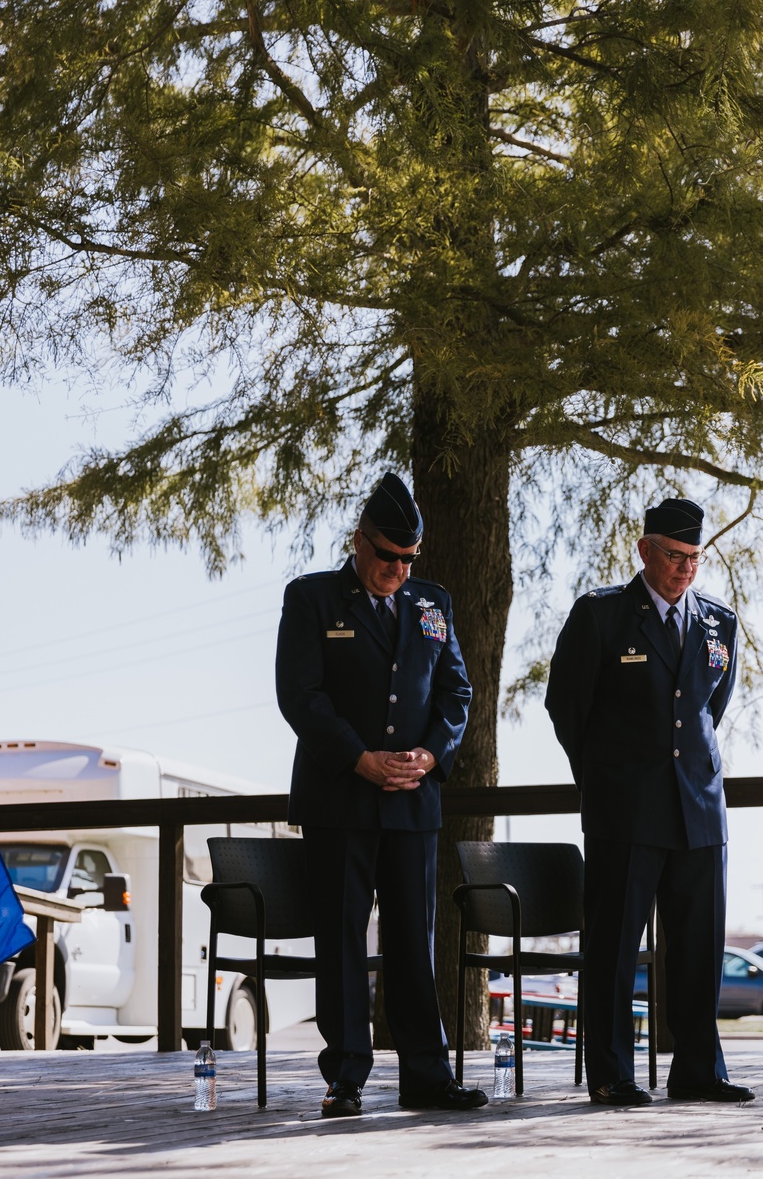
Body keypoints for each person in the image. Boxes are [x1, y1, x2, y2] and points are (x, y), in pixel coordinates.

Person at [275, 471, 487, 1117]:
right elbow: (300, 696)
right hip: (341, 798)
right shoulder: (312, 598)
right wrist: (360, 760)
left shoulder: (433, 605)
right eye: (388, 555)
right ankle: (345, 1076)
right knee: (341, 940)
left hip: (413, 802)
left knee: (412, 940)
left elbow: (456, 692)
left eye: (408, 559)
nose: (398, 569)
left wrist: (431, 754)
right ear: (359, 541)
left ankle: (427, 1074)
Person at [545, 497, 755, 1106]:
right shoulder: (602, 615)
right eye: (674, 555)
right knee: (613, 949)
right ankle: (611, 1073)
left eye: (695, 557)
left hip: (698, 809)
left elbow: (709, 711)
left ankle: (697, 1070)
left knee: (697, 948)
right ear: (644, 550)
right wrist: (604, 775)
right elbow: (567, 706)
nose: (686, 568)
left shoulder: (719, 622)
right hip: (625, 808)